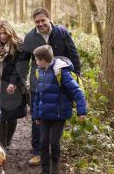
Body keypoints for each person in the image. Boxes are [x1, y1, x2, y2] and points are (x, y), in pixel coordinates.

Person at [18, 7, 81, 165]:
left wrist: (76, 77)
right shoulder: (30, 37)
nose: (40, 24)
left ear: (49, 19)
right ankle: (37, 152)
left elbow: (74, 54)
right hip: (37, 83)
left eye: (42, 20)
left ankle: (54, 151)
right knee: (37, 117)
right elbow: (24, 61)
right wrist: (20, 81)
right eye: (37, 22)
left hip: (59, 83)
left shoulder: (61, 33)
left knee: (57, 113)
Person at [32, 45, 87, 174]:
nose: (36, 62)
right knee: (44, 142)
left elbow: (76, 91)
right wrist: (37, 115)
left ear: (44, 60)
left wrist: (82, 111)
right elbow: (38, 96)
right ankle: (45, 170)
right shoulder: (39, 71)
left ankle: (55, 168)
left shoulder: (61, 72)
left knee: (54, 142)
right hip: (45, 115)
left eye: (37, 59)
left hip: (59, 114)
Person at [0, 20, 27, 148]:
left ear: (10, 33)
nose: (2, 36)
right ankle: (1, 146)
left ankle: (7, 140)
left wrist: (13, 83)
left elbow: (20, 68)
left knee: (11, 116)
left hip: (12, 86)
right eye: (0, 33)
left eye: (5, 33)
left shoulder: (18, 47)